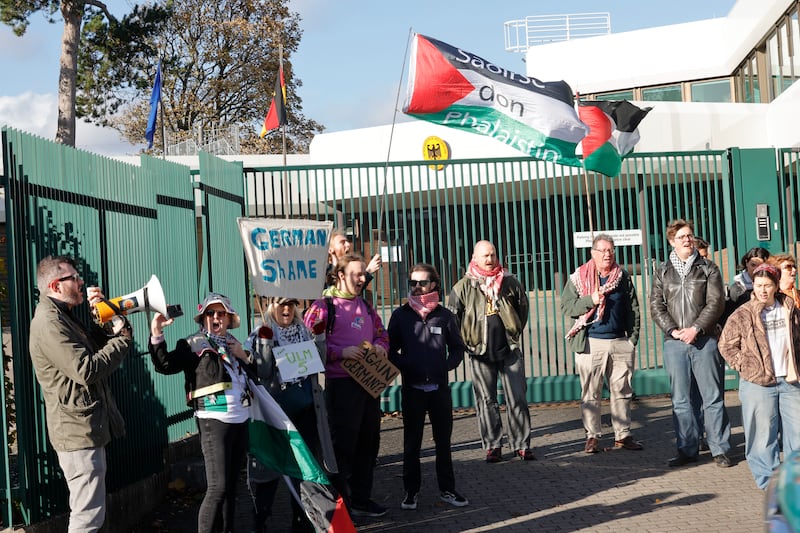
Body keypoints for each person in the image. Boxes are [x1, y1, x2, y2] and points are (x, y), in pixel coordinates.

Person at [29, 256, 133, 533]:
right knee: (87, 518)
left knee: (90, 513)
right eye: (74, 278)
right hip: (76, 432)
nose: (81, 282)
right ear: (55, 285)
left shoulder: (63, 316)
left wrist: (103, 316)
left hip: (82, 428)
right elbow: (85, 369)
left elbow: (90, 349)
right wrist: (122, 341)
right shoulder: (50, 323)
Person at [149, 293, 252, 533]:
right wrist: (156, 332)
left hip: (241, 419)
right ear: (203, 318)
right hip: (213, 420)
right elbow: (165, 364)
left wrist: (244, 356)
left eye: (221, 313)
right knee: (218, 487)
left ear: (229, 318)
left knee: (231, 488)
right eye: (210, 313)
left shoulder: (234, 344)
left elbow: (257, 374)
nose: (216, 317)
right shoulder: (193, 343)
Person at [304, 253, 390, 518]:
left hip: (369, 383)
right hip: (342, 386)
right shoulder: (323, 307)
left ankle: (362, 498)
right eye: (357, 274)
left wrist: (381, 347)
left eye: (364, 273)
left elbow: (382, 334)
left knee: (369, 442)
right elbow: (307, 344)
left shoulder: (366, 306)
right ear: (340, 275)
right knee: (342, 446)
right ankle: (342, 505)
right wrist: (341, 352)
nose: (363, 278)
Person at [245, 296, 336, 533]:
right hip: (277, 415)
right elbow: (263, 371)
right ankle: (261, 521)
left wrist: (319, 337)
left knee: (304, 468)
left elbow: (320, 362)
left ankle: (302, 521)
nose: (286, 309)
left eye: (291, 304)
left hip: (306, 411)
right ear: (271, 306)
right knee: (270, 469)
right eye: (281, 304)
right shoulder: (259, 333)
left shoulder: (303, 331)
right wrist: (266, 341)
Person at [650, 219, 732, 468]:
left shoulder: (708, 268)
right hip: (675, 343)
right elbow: (656, 305)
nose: (687, 240)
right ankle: (687, 448)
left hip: (704, 341)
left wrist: (696, 328)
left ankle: (720, 449)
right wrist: (673, 330)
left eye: (689, 235)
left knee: (712, 398)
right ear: (671, 242)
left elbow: (716, 303)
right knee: (681, 400)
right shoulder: (662, 271)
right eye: (682, 237)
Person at [388, 263, 468, 510]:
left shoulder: (444, 316)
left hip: (439, 390)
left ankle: (447, 489)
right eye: (413, 283)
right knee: (411, 444)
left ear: (433, 284)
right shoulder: (401, 315)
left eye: (422, 282)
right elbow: (389, 349)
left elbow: (458, 348)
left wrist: (445, 366)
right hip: (412, 390)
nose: (416, 287)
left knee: (443, 443)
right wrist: (406, 365)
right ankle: (411, 492)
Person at [447, 240, 534, 462]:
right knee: (486, 400)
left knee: (517, 397)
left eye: (492, 254)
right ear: (474, 258)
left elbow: (522, 308)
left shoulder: (510, 282)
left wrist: (514, 332)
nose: (489, 259)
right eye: (485, 255)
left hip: (509, 349)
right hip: (479, 352)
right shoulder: (463, 287)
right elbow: (453, 318)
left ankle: (521, 445)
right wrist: (467, 342)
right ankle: (493, 445)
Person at [718, 263, 800, 489]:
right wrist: (744, 365)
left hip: (790, 381)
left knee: (797, 434)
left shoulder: (789, 307)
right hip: (757, 383)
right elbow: (726, 345)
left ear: (776, 286)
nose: (763, 290)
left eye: (767, 285)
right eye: (758, 285)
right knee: (762, 438)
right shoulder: (743, 314)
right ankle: (770, 484)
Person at [561, 234, 642, 454]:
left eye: (610, 250)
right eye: (603, 250)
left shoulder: (622, 277)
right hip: (590, 343)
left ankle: (622, 435)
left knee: (622, 390)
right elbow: (567, 307)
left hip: (620, 342)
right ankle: (592, 436)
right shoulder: (579, 277)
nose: (607, 254)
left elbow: (633, 308)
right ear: (593, 253)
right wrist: (591, 300)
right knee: (591, 392)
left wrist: (632, 339)